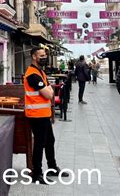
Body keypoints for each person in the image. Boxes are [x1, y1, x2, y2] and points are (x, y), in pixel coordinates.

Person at [24, 47, 69, 185]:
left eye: (45, 55)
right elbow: (49, 94)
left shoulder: (40, 72)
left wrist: (48, 90)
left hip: (44, 114)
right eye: (41, 55)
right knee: (39, 143)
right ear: (34, 57)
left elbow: (49, 89)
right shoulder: (32, 74)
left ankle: (52, 167)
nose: (44, 57)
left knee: (50, 141)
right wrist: (48, 91)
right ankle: (36, 173)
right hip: (36, 115)